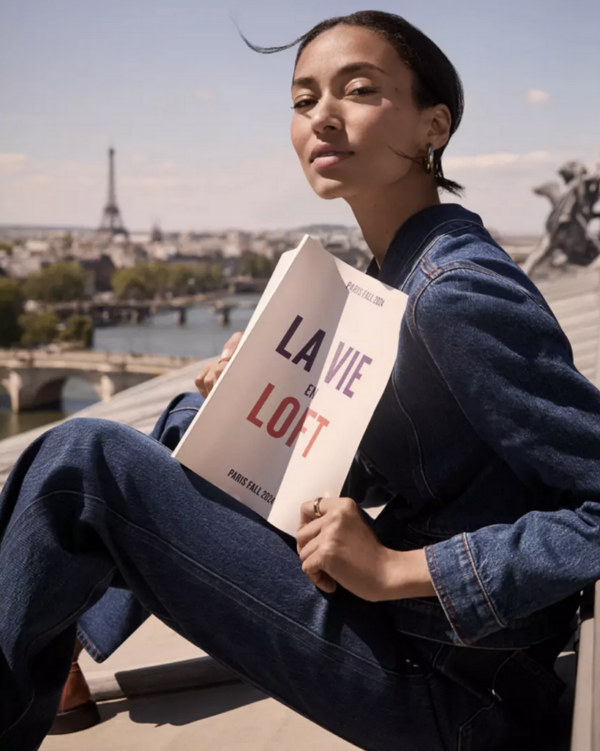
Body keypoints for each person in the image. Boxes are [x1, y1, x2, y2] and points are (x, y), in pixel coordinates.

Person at [1, 10, 598, 750]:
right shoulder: (397, 272)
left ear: (432, 126)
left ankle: (44, 647)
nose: (323, 117)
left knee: (82, 465)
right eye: (304, 99)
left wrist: (398, 567)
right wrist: (256, 393)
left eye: (358, 90)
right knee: (199, 416)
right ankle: (59, 648)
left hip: (464, 690)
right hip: (448, 652)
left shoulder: (454, 293)